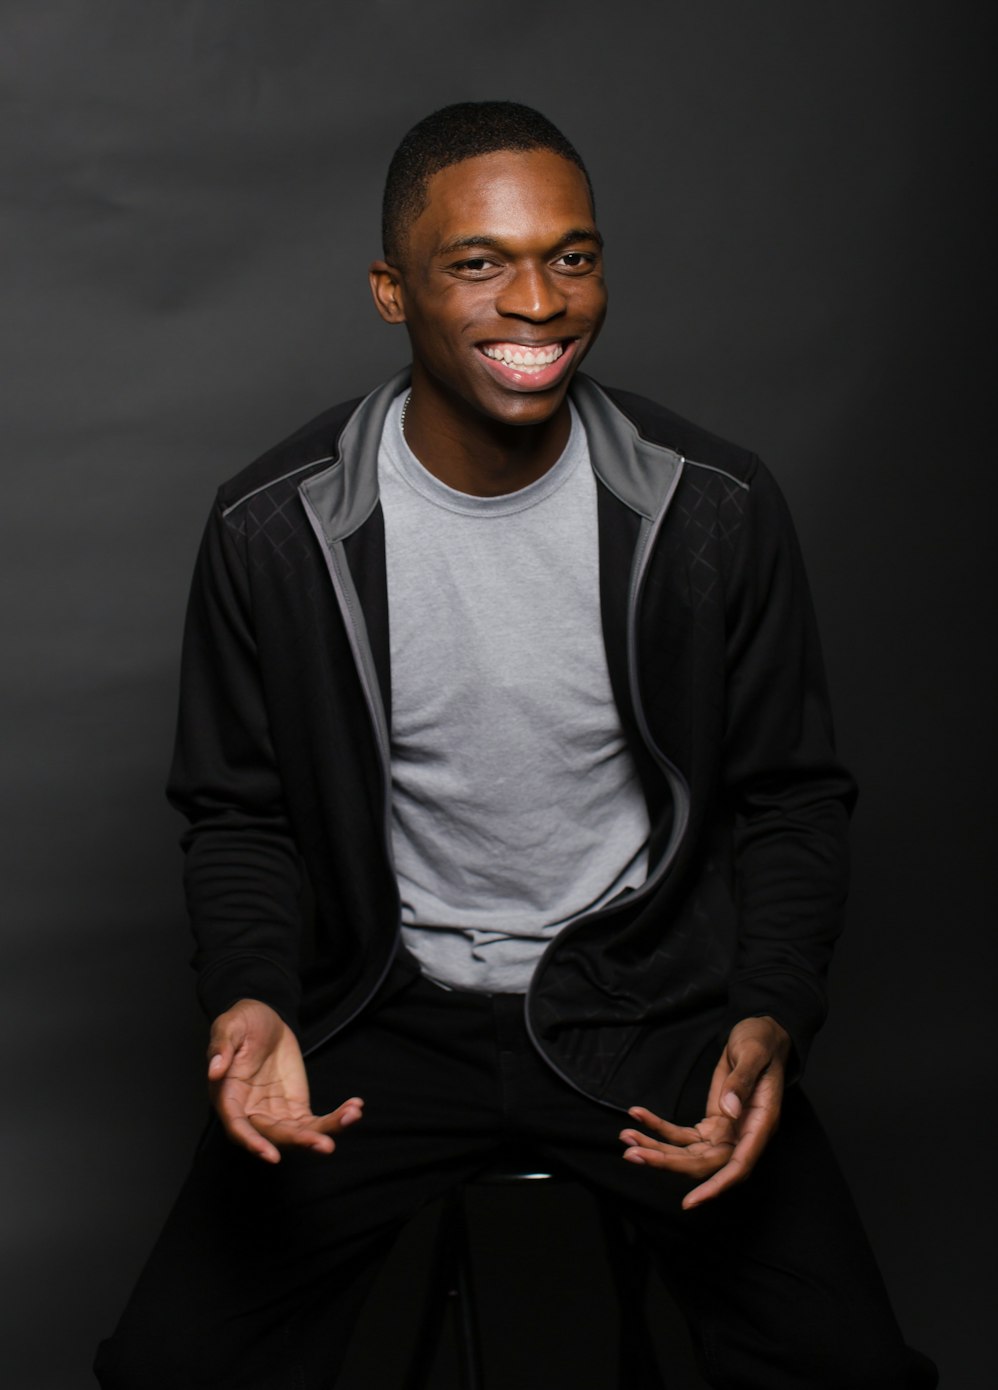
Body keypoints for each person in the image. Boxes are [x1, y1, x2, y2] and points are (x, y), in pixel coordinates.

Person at [95, 101, 937, 1389]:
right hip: (382, 1023)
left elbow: (791, 799)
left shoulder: (712, 509)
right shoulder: (274, 529)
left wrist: (772, 1012)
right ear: (393, 290)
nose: (538, 301)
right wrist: (252, 996)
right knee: (170, 1367)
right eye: (478, 263)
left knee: (849, 1368)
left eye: (573, 256)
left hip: (644, 1013)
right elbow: (240, 811)